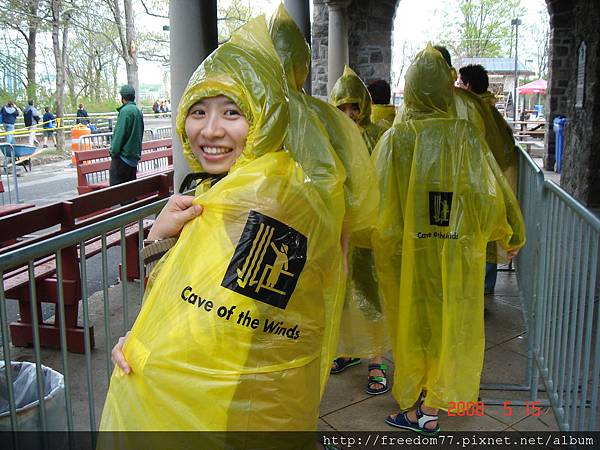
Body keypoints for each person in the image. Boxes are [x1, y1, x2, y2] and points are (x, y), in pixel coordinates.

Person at [100, 16, 345, 435]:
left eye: (232, 112)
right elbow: (191, 297)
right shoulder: (224, 187)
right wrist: (160, 241)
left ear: (264, 117)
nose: (209, 130)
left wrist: (146, 346)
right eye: (198, 111)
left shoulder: (265, 198)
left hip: (229, 412)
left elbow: (219, 322)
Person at [371, 44, 525, 435]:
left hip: (408, 253)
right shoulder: (465, 136)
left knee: (413, 323)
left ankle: (422, 407)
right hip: (455, 250)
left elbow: (377, 204)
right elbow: (488, 192)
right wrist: (508, 232)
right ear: (444, 88)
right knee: (450, 322)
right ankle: (433, 400)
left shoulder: (395, 139)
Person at [328, 66, 390, 395]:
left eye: (355, 106)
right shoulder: (329, 138)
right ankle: (348, 350)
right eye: (343, 107)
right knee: (342, 297)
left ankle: (376, 361)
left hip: (368, 233)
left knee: (370, 298)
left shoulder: (379, 134)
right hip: (339, 231)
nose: (349, 114)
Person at [458, 63, 520, 294]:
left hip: (480, 183)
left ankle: (479, 286)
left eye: (460, 83)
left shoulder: (474, 110)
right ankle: (485, 285)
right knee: (489, 235)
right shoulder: (491, 109)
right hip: (494, 183)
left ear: (468, 86)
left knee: (479, 235)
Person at [108, 84, 144, 186]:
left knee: (116, 191)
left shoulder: (125, 111)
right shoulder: (138, 111)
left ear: (122, 98)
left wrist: (113, 152)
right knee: (130, 190)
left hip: (122, 159)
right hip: (133, 159)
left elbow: (119, 135)